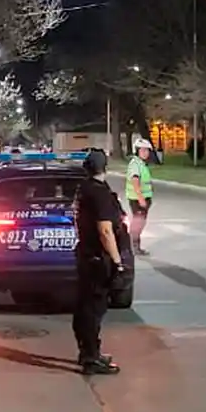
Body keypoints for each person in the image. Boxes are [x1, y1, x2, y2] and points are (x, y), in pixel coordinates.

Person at [71, 149, 125, 375]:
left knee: (85, 307)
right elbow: (105, 230)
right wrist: (117, 261)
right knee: (94, 308)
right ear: (105, 167)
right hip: (97, 258)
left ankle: (88, 352)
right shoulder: (100, 193)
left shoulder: (83, 190)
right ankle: (92, 358)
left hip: (85, 253)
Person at [125, 137, 155, 255]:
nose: (145, 153)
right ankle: (133, 247)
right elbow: (135, 181)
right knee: (138, 223)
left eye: (147, 150)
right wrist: (141, 198)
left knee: (140, 223)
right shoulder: (135, 164)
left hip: (143, 199)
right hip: (137, 199)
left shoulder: (141, 164)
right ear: (136, 151)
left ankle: (135, 246)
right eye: (142, 150)